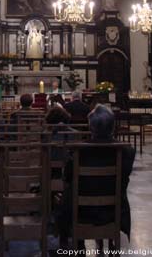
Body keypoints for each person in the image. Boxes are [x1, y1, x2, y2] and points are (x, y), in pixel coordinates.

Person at [55, 104, 135, 249]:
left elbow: (67, 177)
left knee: (67, 195)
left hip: (81, 211)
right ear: (112, 127)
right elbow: (124, 179)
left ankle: (77, 245)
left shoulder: (78, 150)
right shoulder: (126, 151)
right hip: (113, 210)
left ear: (90, 127)